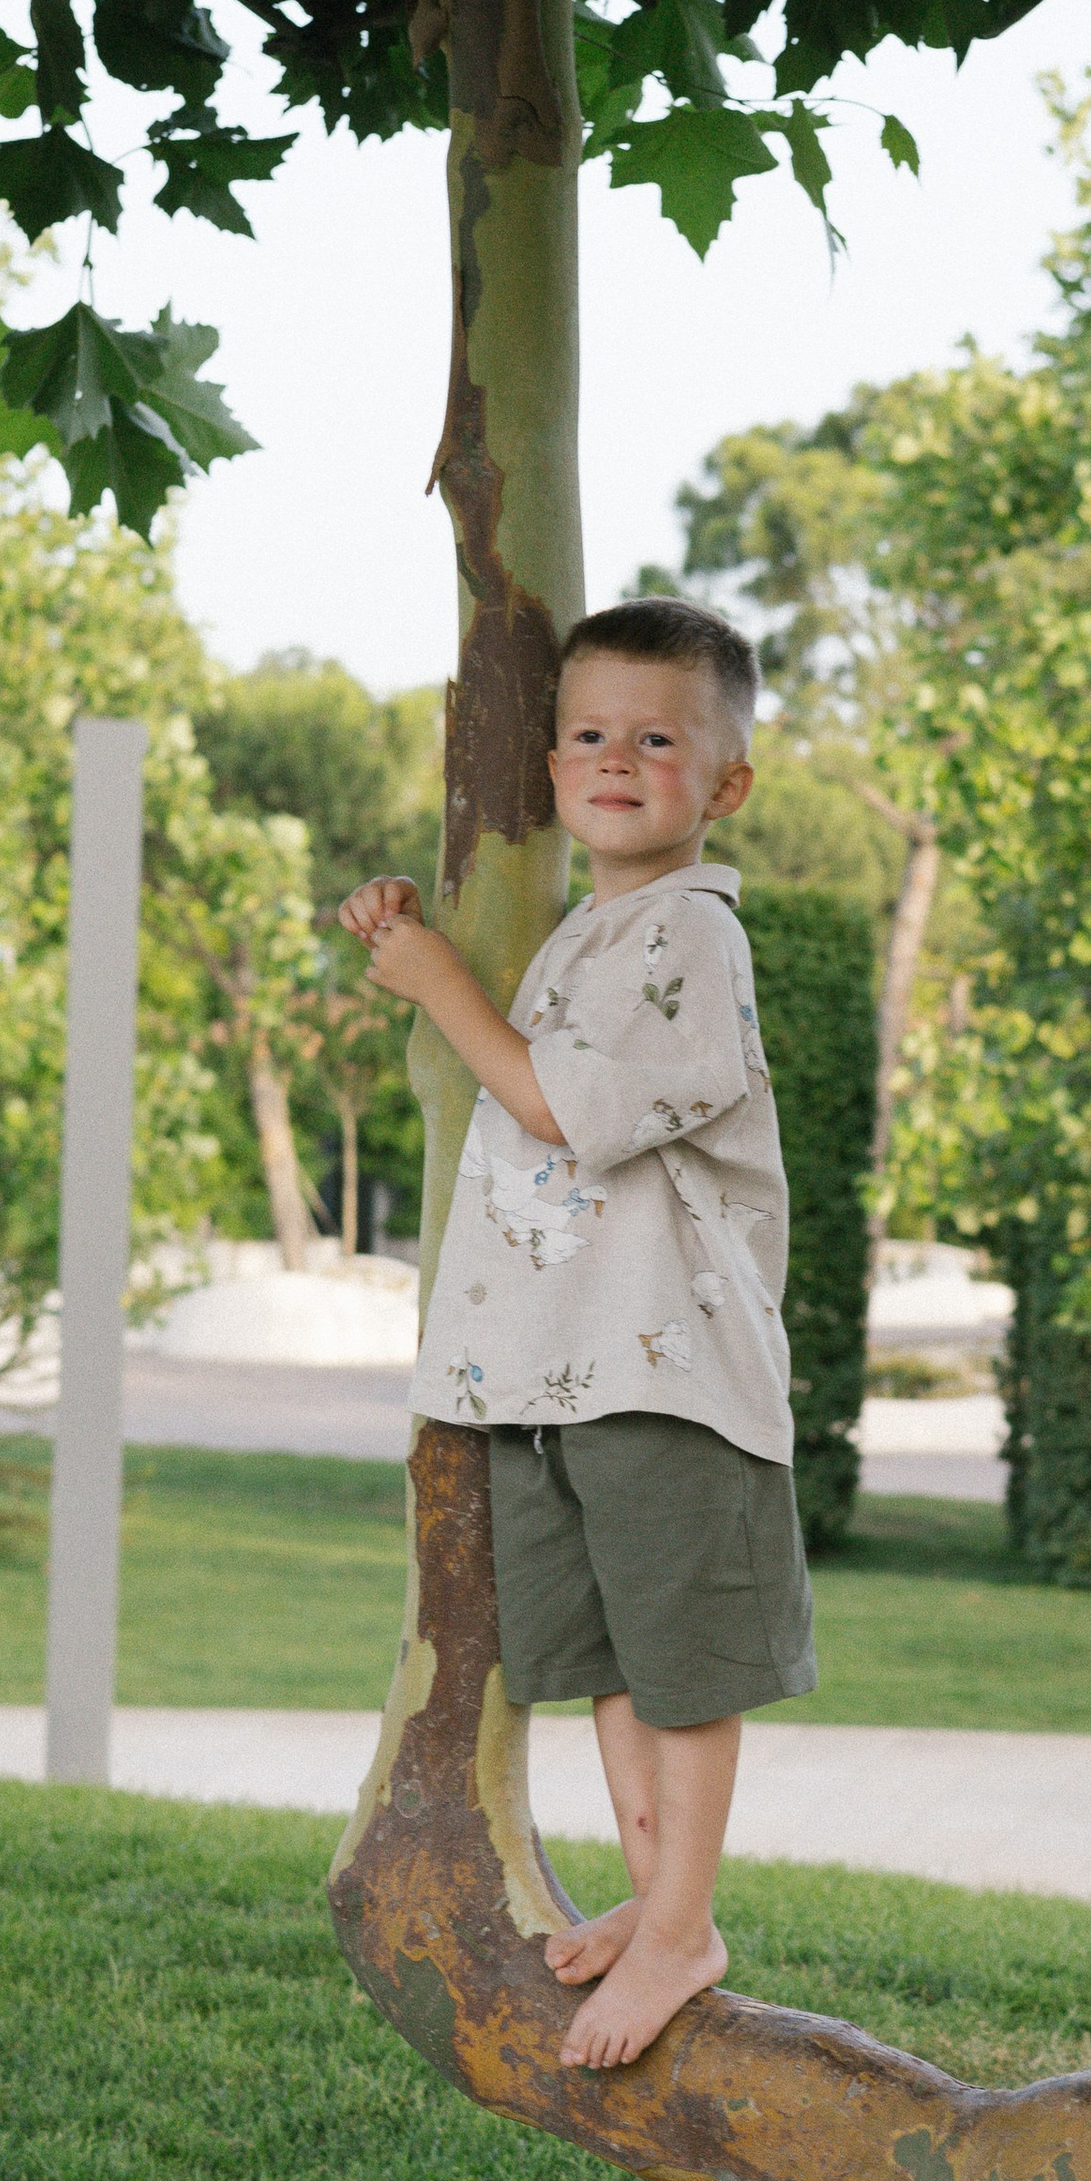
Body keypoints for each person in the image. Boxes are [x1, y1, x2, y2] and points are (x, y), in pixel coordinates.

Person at [339, 595, 813, 2075]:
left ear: (724, 784)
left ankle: (685, 1920)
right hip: (563, 1369)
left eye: (658, 739)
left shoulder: (692, 938)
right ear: (549, 769)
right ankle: (657, 1900)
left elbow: (560, 1107)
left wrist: (438, 984)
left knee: (680, 1665)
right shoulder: (585, 933)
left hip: (665, 1368)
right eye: (591, 734)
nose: (618, 758)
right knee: (612, 1659)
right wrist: (412, 930)